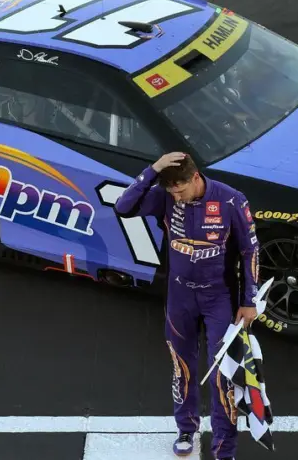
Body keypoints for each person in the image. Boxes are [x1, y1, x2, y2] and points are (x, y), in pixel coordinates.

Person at [114, 151, 259, 460]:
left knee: (223, 375)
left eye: (180, 190)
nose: (176, 197)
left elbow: (250, 250)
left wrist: (249, 301)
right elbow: (123, 207)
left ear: (195, 177)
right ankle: (186, 428)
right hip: (179, 296)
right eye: (171, 192)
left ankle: (224, 449)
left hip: (220, 298)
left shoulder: (231, 200)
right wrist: (153, 169)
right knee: (182, 367)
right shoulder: (165, 196)